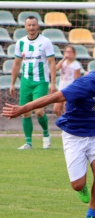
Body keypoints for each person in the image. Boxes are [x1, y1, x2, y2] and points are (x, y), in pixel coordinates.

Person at [2, 58, 95, 218]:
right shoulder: (84, 85)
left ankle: (91, 216)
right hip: (74, 135)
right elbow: (52, 97)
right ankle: (82, 187)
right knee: (77, 184)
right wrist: (23, 109)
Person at [10, 15, 56, 150]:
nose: (31, 27)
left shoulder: (46, 42)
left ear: (38, 26)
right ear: (25, 27)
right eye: (29, 25)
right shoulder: (20, 43)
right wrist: (13, 83)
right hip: (26, 81)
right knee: (25, 111)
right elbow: (16, 64)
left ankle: (46, 134)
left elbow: (52, 63)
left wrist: (53, 82)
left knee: (39, 111)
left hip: (41, 81)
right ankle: (28, 143)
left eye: (33, 25)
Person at [54, 45, 81, 117]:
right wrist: (63, 59)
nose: (68, 54)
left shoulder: (76, 65)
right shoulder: (63, 62)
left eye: (70, 52)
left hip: (69, 89)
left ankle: (68, 125)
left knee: (66, 109)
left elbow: (76, 78)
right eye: (66, 52)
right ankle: (63, 122)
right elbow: (56, 68)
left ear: (74, 53)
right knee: (56, 109)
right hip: (61, 88)